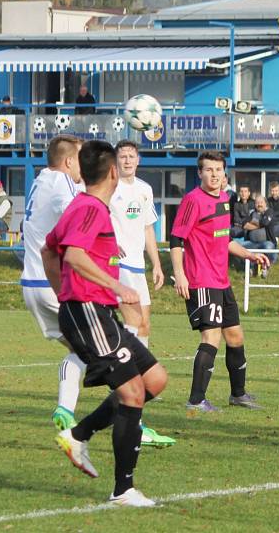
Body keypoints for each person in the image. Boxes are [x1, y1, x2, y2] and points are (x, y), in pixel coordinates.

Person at [42, 140, 168, 506]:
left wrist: (64, 290)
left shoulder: (83, 205)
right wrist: (113, 287)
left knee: (154, 379)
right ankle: (123, 490)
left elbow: (49, 250)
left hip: (94, 310)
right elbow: (75, 255)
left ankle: (78, 434)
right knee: (132, 394)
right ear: (114, 171)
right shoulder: (91, 208)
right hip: (88, 312)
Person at [170, 151, 270, 412]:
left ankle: (238, 394)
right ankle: (195, 400)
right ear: (200, 173)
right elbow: (176, 240)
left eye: (218, 170)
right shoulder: (193, 200)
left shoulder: (225, 199)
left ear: (224, 173)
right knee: (211, 335)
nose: (214, 175)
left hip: (221, 281)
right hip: (201, 280)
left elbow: (224, 240)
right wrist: (179, 274)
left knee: (235, 336)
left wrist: (249, 254)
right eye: (209, 170)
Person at [110, 140, 174, 448]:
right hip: (118, 265)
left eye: (131, 156)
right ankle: (126, 388)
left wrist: (157, 265)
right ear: (116, 160)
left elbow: (148, 228)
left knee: (143, 327)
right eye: (122, 156)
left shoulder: (145, 189)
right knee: (132, 327)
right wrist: (110, 243)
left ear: (138, 159)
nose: (126, 160)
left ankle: (134, 382)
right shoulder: (110, 188)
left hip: (138, 267)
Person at [20, 135, 86, 430]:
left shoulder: (40, 180)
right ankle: (129, 417)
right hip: (53, 284)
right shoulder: (63, 182)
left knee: (84, 348)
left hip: (31, 286)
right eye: (81, 159)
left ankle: (67, 411)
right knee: (95, 347)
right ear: (69, 161)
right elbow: (75, 213)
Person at [237, 193, 277, 272]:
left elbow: (265, 222)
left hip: (266, 242)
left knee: (269, 247)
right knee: (238, 246)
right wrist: (258, 225)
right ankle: (249, 268)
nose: (259, 205)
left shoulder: (269, 211)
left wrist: (252, 222)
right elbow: (244, 224)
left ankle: (266, 266)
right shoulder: (252, 213)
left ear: (265, 203)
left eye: (261, 202)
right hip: (252, 242)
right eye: (257, 203)